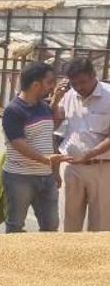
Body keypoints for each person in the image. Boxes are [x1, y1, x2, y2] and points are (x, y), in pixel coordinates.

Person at [0, 62, 67, 233]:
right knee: (15, 225)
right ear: (36, 84)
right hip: (19, 178)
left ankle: (44, 259)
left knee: (50, 225)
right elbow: (17, 143)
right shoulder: (13, 110)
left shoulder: (42, 106)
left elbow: (48, 132)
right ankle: (14, 259)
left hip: (46, 177)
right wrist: (46, 159)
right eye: (49, 82)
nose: (52, 86)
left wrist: (54, 171)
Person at [51, 57, 110, 231]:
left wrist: (89, 154)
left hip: (102, 169)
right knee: (68, 222)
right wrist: (55, 100)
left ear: (93, 75)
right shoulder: (68, 95)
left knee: (101, 224)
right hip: (71, 168)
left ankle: (98, 258)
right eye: (74, 83)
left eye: (83, 82)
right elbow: (53, 124)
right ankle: (67, 258)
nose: (79, 87)